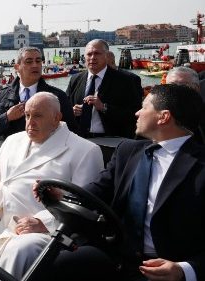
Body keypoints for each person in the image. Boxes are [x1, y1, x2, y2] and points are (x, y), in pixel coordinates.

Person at [39, 84, 205, 281]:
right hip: (117, 255)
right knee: (51, 265)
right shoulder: (128, 151)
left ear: (164, 117)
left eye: (144, 107)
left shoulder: (200, 165)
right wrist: (61, 195)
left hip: (168, 266)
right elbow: (95, 193)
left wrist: (185, 270)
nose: (137, 113)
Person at [0, 92, 104, 281]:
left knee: (20, 250)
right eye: (27, 115)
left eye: (38, 116)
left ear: (57, 118)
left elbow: (83, 204)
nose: (30, 123)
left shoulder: (84, 151)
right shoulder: (12, 141)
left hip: (42, 229)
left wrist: (44, 223)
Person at [0, 47, 76, 139]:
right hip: (13, 152)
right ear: (17, 67)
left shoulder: (58, 96)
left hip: (46, 152)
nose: (35, 65)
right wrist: (7, 117)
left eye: (38, 61)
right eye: (29, 61)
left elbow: (71, 131)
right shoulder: (3, 95)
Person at [67, 39, 142, 139]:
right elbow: (65, 108)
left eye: (97, 53)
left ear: (106, 56)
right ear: (84, 57)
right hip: (80, 139)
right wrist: (71, 111)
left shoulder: (128, 80)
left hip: (113, 140)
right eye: (89, 54)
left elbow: (135, 114)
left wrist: (104, 107)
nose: (92, 57)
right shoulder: (75, 80)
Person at [165, 66, 205, 144]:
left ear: (196, 88)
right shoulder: (157, 113)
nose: (176, 89)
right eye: (171, 85)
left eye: (182, 85)